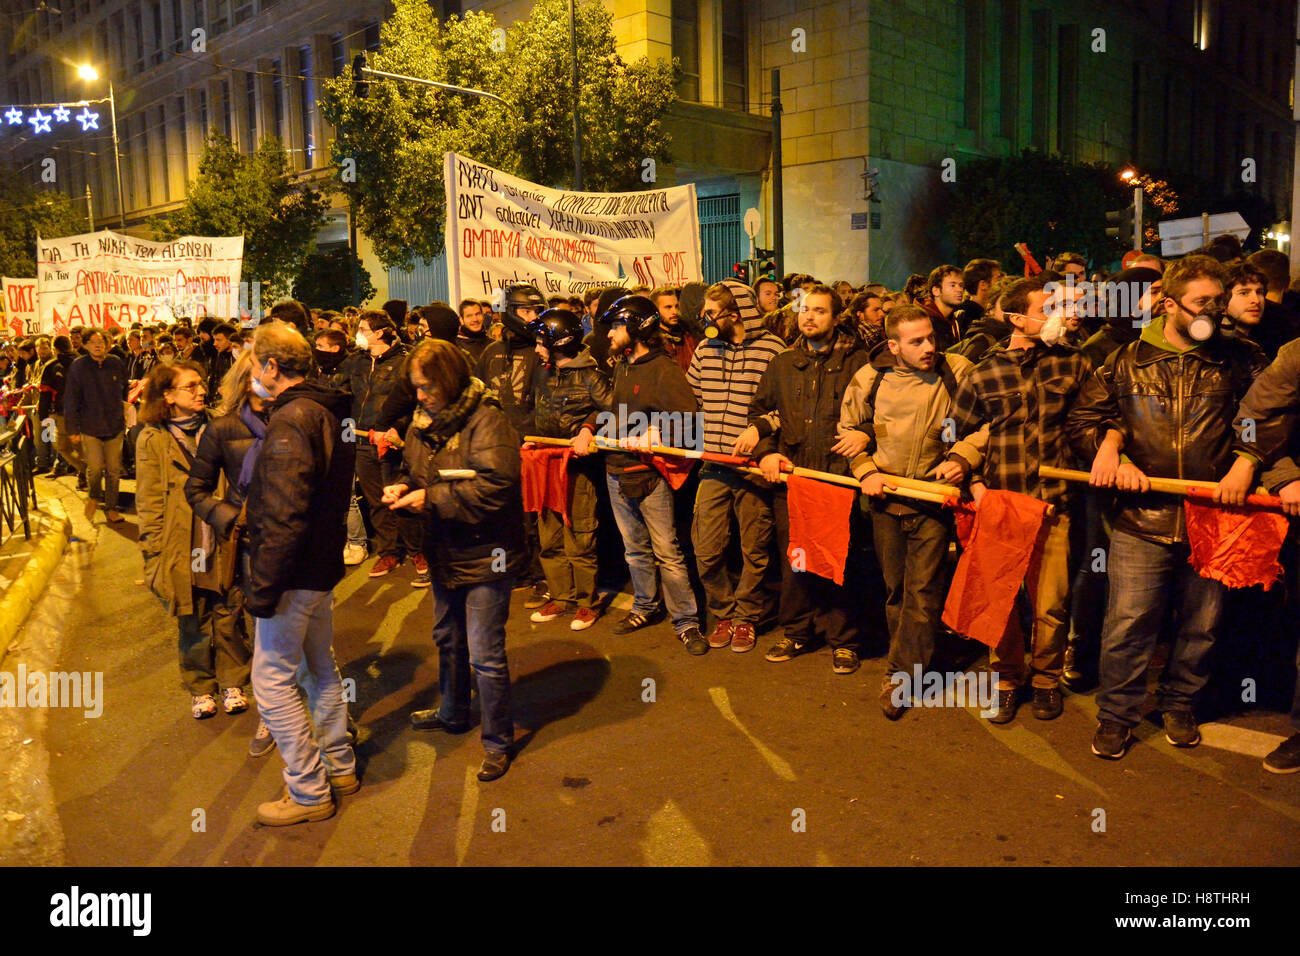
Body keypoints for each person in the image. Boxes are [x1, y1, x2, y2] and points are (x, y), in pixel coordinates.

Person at [1070, 255, 1268, 759]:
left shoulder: (1241, 358)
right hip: (1141, 519)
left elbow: (1265, 418)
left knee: (1202, 625)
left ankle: (1180, 704)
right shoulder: (1124, 360)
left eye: (1219, 301)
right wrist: (1110, 452)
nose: (1216, 312)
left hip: (1215, 519)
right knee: (1129, 623)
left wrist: (1246, 460)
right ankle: (1117, 715)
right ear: (1169, 303)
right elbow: (1084, 421)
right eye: (1204, 302)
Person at [948, 274, 1092, 722]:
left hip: (1054, 505)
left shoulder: (1075, 364)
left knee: (1051, 604)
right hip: (1002, 505)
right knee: (1001, 600)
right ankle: (1007, 678)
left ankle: (1047, 680)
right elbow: (955, 430)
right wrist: (969, 476)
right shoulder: (984, 371)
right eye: (1046, 309)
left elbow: (1094, 418)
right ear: (1016, 318)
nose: (1059, 316)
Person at [385, 339, 527, 782]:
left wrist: (431, 497)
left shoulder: (488, 421)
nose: (420, 395)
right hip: (445, 548)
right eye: (415, 387)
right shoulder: (422, 423)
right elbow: (417, 471)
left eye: (426, 386)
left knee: (485, 653)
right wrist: (403, 487)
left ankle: (498, 742)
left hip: (487, 553)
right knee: (447, 638)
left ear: (447, 380)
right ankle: (452, 713)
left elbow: (497, 486)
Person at [839, 305, 983, 715]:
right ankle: (914, 660)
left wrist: (963, 456)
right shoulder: (871, 377)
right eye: (916, 341)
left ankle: (901, 675)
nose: (928, 347)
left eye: (931, 338)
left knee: (923, 593)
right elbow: (849, 427)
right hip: (886, 500)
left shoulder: (957, 371)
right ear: (893, 345)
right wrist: (865, 469)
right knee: (897, 592)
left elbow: (989, 421)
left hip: (934, 501)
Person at [243, 321, 358, 826]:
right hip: (320, 565)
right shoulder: (328, 409)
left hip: (295, 570)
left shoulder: (292, 419)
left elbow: (286, 511)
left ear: (271, 366)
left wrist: (265, 587)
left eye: (254, 364)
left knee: (271, 681)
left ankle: (309, 791)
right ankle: (340, 766)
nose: (252, 374)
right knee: (319, 666)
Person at [749, 284, 871, 673]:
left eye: (819, 311)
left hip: (840, 479)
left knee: (840, 561)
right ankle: (797, 632)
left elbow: (884, 414)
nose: (809, 317)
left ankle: (843, 640)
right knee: (795, 560)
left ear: (837, 318)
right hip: (794, 479)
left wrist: (866, 431)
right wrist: (767, 451)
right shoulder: (782, 364)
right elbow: (762, 413)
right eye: (804, 310)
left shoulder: (861, 364)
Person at [136, 359, 253, 720]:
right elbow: (149, 499)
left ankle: (233, 680)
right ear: (168, 395)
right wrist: (153, 553)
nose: (201, 391)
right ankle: (201, 686)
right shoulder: (151, 438)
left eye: (202, 384)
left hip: (221, 531)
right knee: (191, 615)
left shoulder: (220, 427)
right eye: (191, 386)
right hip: (180, 540)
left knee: (229, 608)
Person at [600, 294, 706, 654]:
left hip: (650, 477)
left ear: (635, 327)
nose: (610, 334)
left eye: (616, 326)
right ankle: (645, 606)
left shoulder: (665, 369)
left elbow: (692, 424)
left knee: (667, 551)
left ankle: (687, 621)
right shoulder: (623, 365)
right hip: (615, 471)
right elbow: (611, 412)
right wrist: (588, 427)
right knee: (634, 550)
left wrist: (660, 433)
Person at [185, 350, 276, 757]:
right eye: (266, 371)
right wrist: (232, 518)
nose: (274, 379)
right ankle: (272, 718)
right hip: (252, 548)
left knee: (315, 642)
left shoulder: (299, 418)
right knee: (264, 635)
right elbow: (197, 490)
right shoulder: (222, 429)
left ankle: (333, 725)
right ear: (246, 380)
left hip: (301, 547)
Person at [688, 280, 786, 652]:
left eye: (712, 313)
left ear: (736, 312)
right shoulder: (704, 350)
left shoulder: (774, 351)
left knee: (754, 549)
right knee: (706, 547)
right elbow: (693, 398)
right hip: (714, 464)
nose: (706, 320)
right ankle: (724, 611)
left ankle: (747, 616)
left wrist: (759, 428)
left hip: (753, 468)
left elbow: (785, 409)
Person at [526, 308, 613, 631]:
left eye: (540, 342)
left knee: (580, 536)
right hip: (545, 464)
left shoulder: (592, 375)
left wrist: (589, 428)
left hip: (578, 470)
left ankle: (586, 603)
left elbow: (614, 411)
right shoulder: (543, 372)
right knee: (549, 536)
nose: (536, 348)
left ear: (558, 343)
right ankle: (561, 598)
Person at [476, 283, 549, 607]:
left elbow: (547, 402)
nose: (533, 317)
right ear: (510, 313)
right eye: (526, 311)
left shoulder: (543, 350)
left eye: (536, 311)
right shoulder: (491, 353)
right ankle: (512, 571)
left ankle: (541, 577)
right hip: (496, 448)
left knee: (534, 518)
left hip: (530, 446)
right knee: (503, 518)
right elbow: (478, 395)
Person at [347, 310, 426, 585]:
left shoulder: (406, 360)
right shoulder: (355, 361)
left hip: (393, 442)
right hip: (361, 441)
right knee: (376, 500)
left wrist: (398, 428)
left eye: (363, 329)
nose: (359, 334)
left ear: (380, 333)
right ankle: (389, 551)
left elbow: (415, 400)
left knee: (402, 497)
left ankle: (418, 552)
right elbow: (344, 395)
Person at [64, 329, 128, 522]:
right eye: (93, 342)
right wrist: (72, 428)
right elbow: (71, 398)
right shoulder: (78, 366)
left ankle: (111, 508)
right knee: (95, 468)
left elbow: (124, 390)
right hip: (90, 427)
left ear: (108, 344)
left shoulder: (116, 363)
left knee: (114, 470)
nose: (98, 344)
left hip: (114, 426)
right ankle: (93, 496)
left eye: (101, 341)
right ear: (85, 345)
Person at [456, 298, 493, 365]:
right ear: (461, 320)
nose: (475, 319)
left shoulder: (493, 345)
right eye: (469, 316)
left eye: (478, 314)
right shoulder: (455, 347)